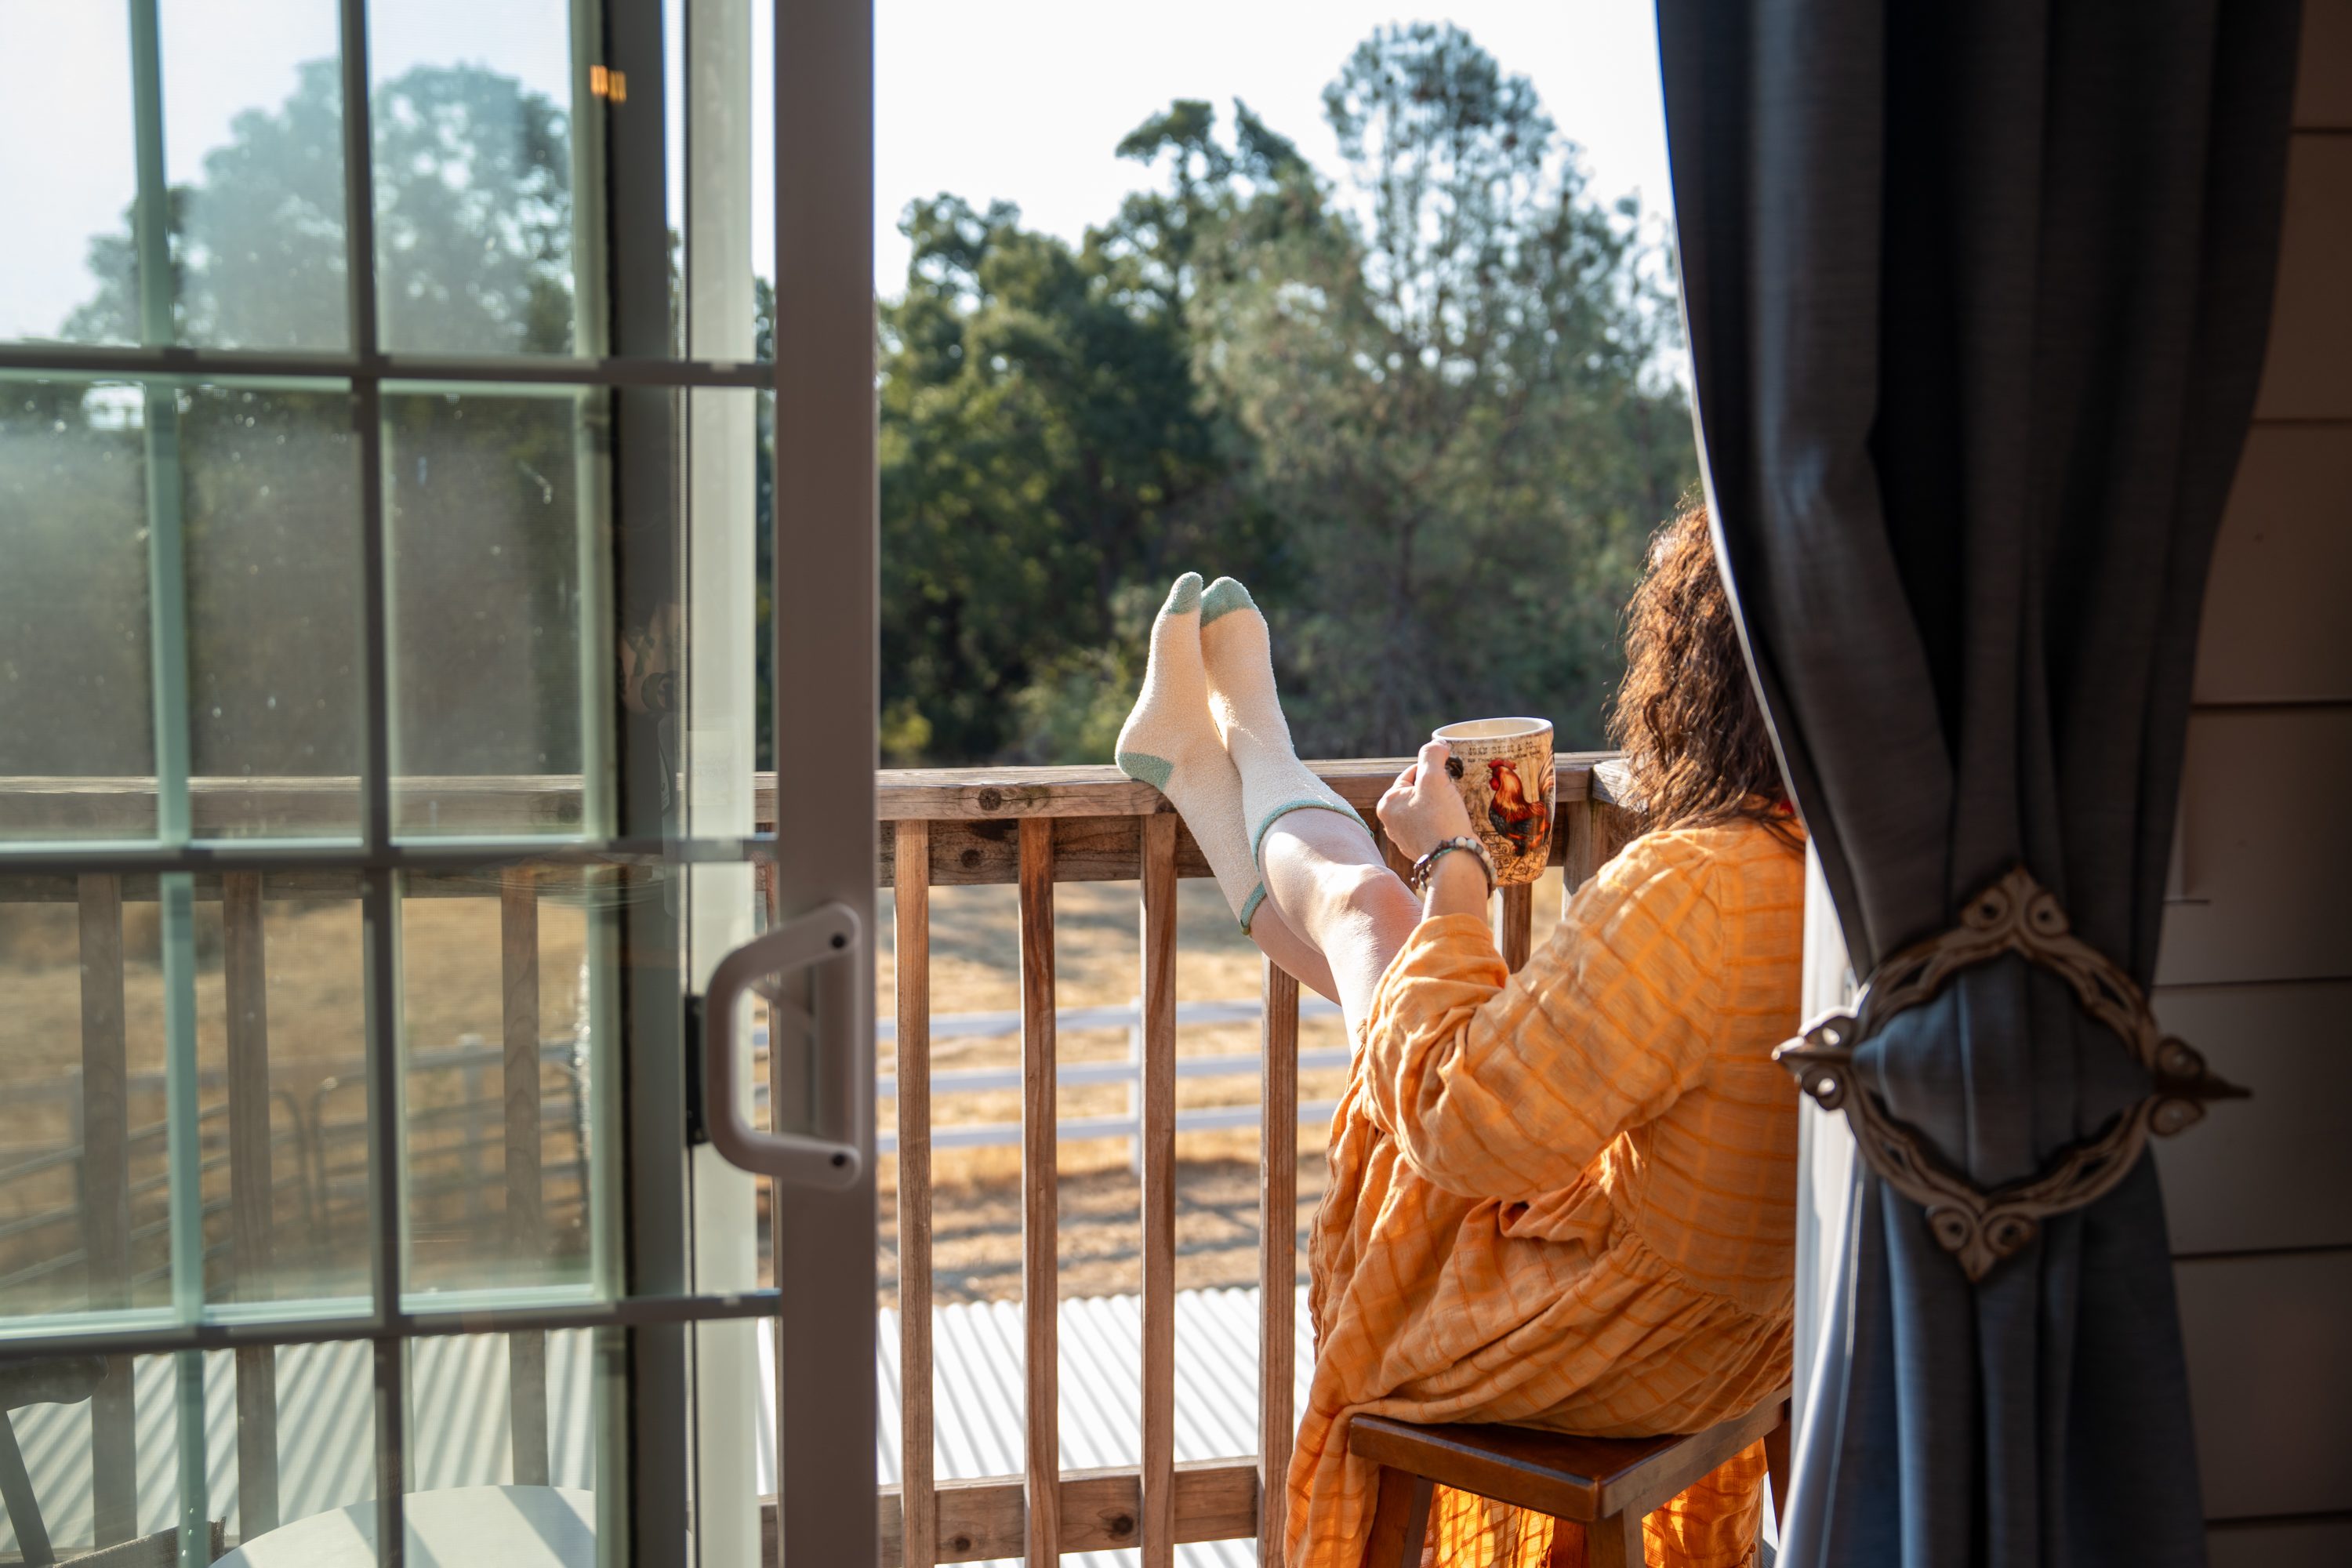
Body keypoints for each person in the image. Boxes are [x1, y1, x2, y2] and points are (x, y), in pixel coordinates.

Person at [1114, 503, 1804, 1566]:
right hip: (1755, 1333)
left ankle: (1246, 746)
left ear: (1695, 679)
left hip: (1613, 1342)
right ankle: (1212, 762)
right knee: (1390, 987)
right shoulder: (1848, 872)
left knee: (1370, 917)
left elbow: (1456, 1125)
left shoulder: (1699, 886)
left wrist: (1451, 864)